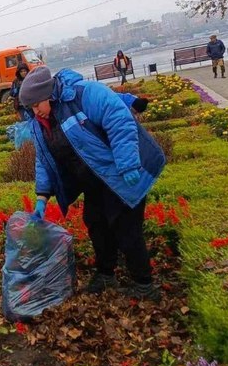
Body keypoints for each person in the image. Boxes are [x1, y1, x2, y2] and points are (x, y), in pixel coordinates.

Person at [19, 66, 166, 301]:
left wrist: (128, 165)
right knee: (96, 224)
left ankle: (144, 285)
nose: (36, 112)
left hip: (120, 173)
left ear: (48, 94)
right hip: (94, 180)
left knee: (126, 228)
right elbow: (43, 159)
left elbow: (120, 121)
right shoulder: (40, 123)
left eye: (37, 105)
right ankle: (106, 274)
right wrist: (41, 197)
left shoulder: (84, 94)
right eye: (31, 108)